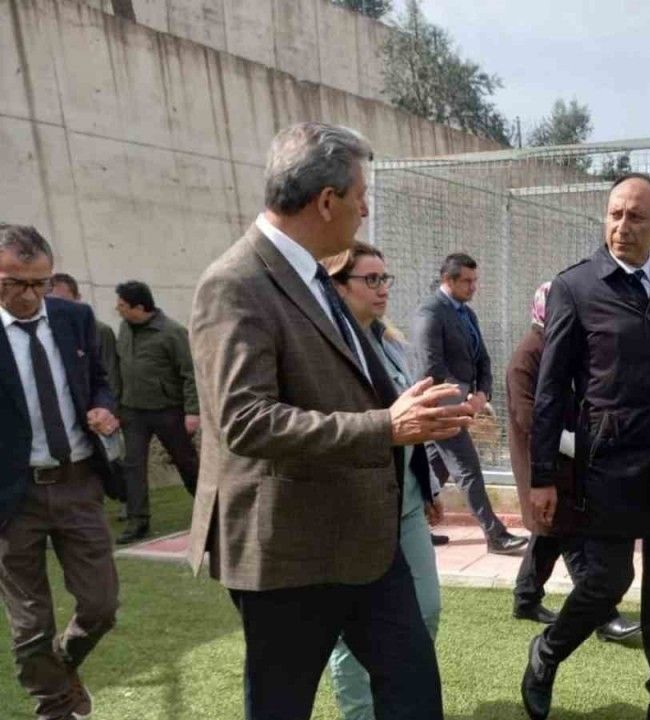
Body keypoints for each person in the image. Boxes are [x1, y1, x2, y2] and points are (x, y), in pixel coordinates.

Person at [187, 122, 474, 720]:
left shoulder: (315, 273)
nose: (365, 210)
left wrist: (424, 409)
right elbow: (245, 420)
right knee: (282, 704)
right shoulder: (234, 283)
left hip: (364, 540)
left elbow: (354, 384)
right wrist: (385, 427)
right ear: (325, 201)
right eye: (360, 196)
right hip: (288, 551)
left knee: (414, 691)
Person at [523, 173, 650, 720]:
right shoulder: (575, 287)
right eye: (615, 214)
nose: (622, 226)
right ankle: (547, 651)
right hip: (609, 465)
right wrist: (542, 475)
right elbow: (550, 392)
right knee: (608, 580)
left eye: (636, 217)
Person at [0, 224, 121, 720]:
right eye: (14, 283)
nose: (30, 295)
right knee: (30, 623)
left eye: (40, 283)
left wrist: (104, 407)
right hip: (13, 497)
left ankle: (62, 665)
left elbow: (99, 380)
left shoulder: (75, 318)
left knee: (101, 606)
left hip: (76, 482)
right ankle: (54, 706)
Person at [321, 241, 445, 720]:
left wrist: (429, 485)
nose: (382, 289)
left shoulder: (390, 342)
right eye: (370, 279)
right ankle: (361, 713)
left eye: (384, 278)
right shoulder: (325, 347)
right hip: (354, 509)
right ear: (337, 286)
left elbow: (409, 420)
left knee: (425, 609)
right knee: (355, 632)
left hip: (406, 502)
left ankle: (400, 700)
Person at [507, 281, 641, 643]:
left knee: (549, 533)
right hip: (545, 463)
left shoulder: (557, 345)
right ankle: (603, 616)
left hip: (563, 460)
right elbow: (529, 417)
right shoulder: (527, 358)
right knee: (570, 535)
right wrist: (572, 444)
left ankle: (526, 598)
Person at [411, 253, 528, 556]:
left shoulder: (466, 314)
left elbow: (483, 359)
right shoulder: (431, 312)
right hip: (441, 406)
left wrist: (482, 395)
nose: (474, 286)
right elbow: (430, 368)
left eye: (475, 280)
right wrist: (455, 403)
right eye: (467, 281)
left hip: (462, 403)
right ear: (447, 280)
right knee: (468, 468)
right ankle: (496, 536)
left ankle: (409, 527)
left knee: (436, 469)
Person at [113, 280, 199, 543]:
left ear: (139, 308)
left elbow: (190, 374)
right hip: (133, 411)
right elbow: (119, 368)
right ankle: (137, 521)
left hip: (168, 410)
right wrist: (116, 406)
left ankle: (211, 506)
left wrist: (193, 412)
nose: (118, 309)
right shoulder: (124, 329)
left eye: (122, 305)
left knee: (186, 461)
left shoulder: (173, 333)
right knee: (133, 466)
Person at [48, 273, 127, 510]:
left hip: (100, 414)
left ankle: (126, 501)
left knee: (114, 460)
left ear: (77, 297)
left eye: (62, 299)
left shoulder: (96, 328)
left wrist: (109, 407)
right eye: (51, 298)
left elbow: (107, 373)